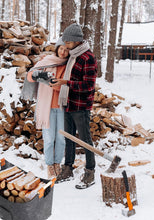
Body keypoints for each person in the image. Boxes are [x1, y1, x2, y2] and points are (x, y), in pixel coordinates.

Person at [52, 23, 97, 189]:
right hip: (68, 102)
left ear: (76, 41)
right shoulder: (72, 55)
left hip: (81, 105)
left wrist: (66, 83)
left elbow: (89, 85)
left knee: (85, 140)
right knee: (68, 137)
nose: (66, 45)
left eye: (68, 42)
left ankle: (90, 171)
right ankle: (68, 169)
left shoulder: (88, 57)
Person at [22, 38, 69, 179]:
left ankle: (57, 163)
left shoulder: (68, 66)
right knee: (49, 139)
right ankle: (49, 165)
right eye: (61, 48)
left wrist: (54, 85)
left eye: (66, 50)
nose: (63, 52)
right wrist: (37, 75)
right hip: (46, 107)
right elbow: (30, 76)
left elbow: (67, 85)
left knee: (61, 139)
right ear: (57, 48)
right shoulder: (46, 61)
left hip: (61, 107)